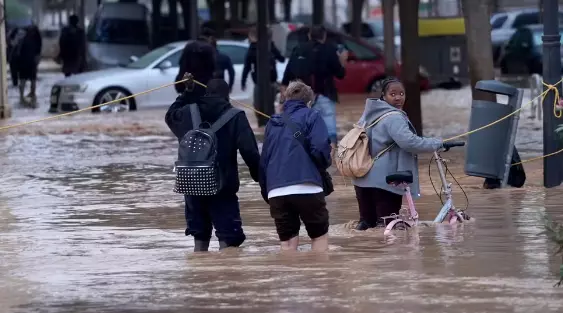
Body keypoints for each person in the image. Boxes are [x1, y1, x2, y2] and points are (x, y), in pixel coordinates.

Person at [165, 78, 261, 252]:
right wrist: (260, 178)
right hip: (223, 186)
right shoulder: (235, 116)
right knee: (229, 236)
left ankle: (201, 272)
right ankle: (225, 274)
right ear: (227, 96)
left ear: (205, 92)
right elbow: (250, 152)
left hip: (192, 185)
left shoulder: (187, 112)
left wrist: (186, 94)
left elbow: (170, 116)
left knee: (200, 234)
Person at [352, 77, 444, 231]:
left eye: (401, 93)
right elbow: (409, 142)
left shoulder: (368, 114)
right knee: (388, 227)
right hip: (386, 181)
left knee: (367, 228)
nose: (398, 97)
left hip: (362, 179)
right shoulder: (394, 117)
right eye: (393, 94)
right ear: (383, 96)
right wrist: (437, 143)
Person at [259, 80, 332, 252]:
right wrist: (324, 165)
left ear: (285, 100)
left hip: (277, 191)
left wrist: (267, 192)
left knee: (287, 244)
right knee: (319, 237)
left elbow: (264, 160)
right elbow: (320, 150)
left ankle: (290, 277)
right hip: (308, 188)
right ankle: (321, 277)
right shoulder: (312, 116)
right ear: (309, 102)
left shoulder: (273, 122)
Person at [281, 25, 347, 152]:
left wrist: (284, 95)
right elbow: (340, 74)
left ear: (309, 35)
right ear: (324, 36)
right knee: (329, 128)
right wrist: (342, 60)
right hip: (324, 94)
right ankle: (331, 154)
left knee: (303, 127)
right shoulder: (329, 50)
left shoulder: (298, 49)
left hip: (301, 96)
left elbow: (287, 73)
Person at [241, 27, 285, 128]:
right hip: (267, 81)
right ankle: (267, 124)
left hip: (263, 82)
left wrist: (244, 81)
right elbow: (281, 58)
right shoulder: (264, 47)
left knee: (261, 105)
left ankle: (265, 124)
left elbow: (247, 67)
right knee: (267, 105)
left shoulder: (256, 48)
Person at [175, 28, 216, 96]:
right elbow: (213, 67)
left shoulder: (188, 46)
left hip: (187, 83)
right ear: (210, 37)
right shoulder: (209, 48)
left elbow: (182, 63)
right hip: (203, 85)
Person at [15, 24, 42, 107]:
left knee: (23, 80)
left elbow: (18, 52)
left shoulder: (24, 39)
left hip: (25, 63)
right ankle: (31, 95)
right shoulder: (37, 40)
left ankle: (22, 97)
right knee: (32, 80)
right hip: (30, 63)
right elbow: (38, 54)